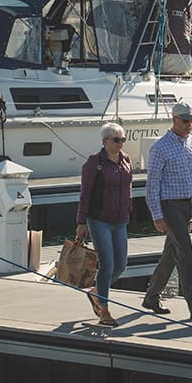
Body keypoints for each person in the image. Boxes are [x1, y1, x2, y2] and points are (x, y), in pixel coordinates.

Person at [142, 102, 192, 321]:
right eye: (185, 121)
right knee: (186, 254)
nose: (189, 125)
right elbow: (152, 184)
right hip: (170, 206)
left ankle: (151, 296)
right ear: (174, 120)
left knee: (171, 254)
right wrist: (156, 214)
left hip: (190, 205)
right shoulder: (160, 147)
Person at [76, 122, 132, 328]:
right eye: (116, 140)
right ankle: (104, 311)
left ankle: (96, 293)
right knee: (107, 264)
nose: (120, 144)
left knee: (121, 266)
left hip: (120, 220)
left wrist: (128, 210)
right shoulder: (94, 163)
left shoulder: (126, 161)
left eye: (123, 140)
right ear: (105, 141)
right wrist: (81, 222)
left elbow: (128, 189)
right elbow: (85, 193)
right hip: (99, 219)